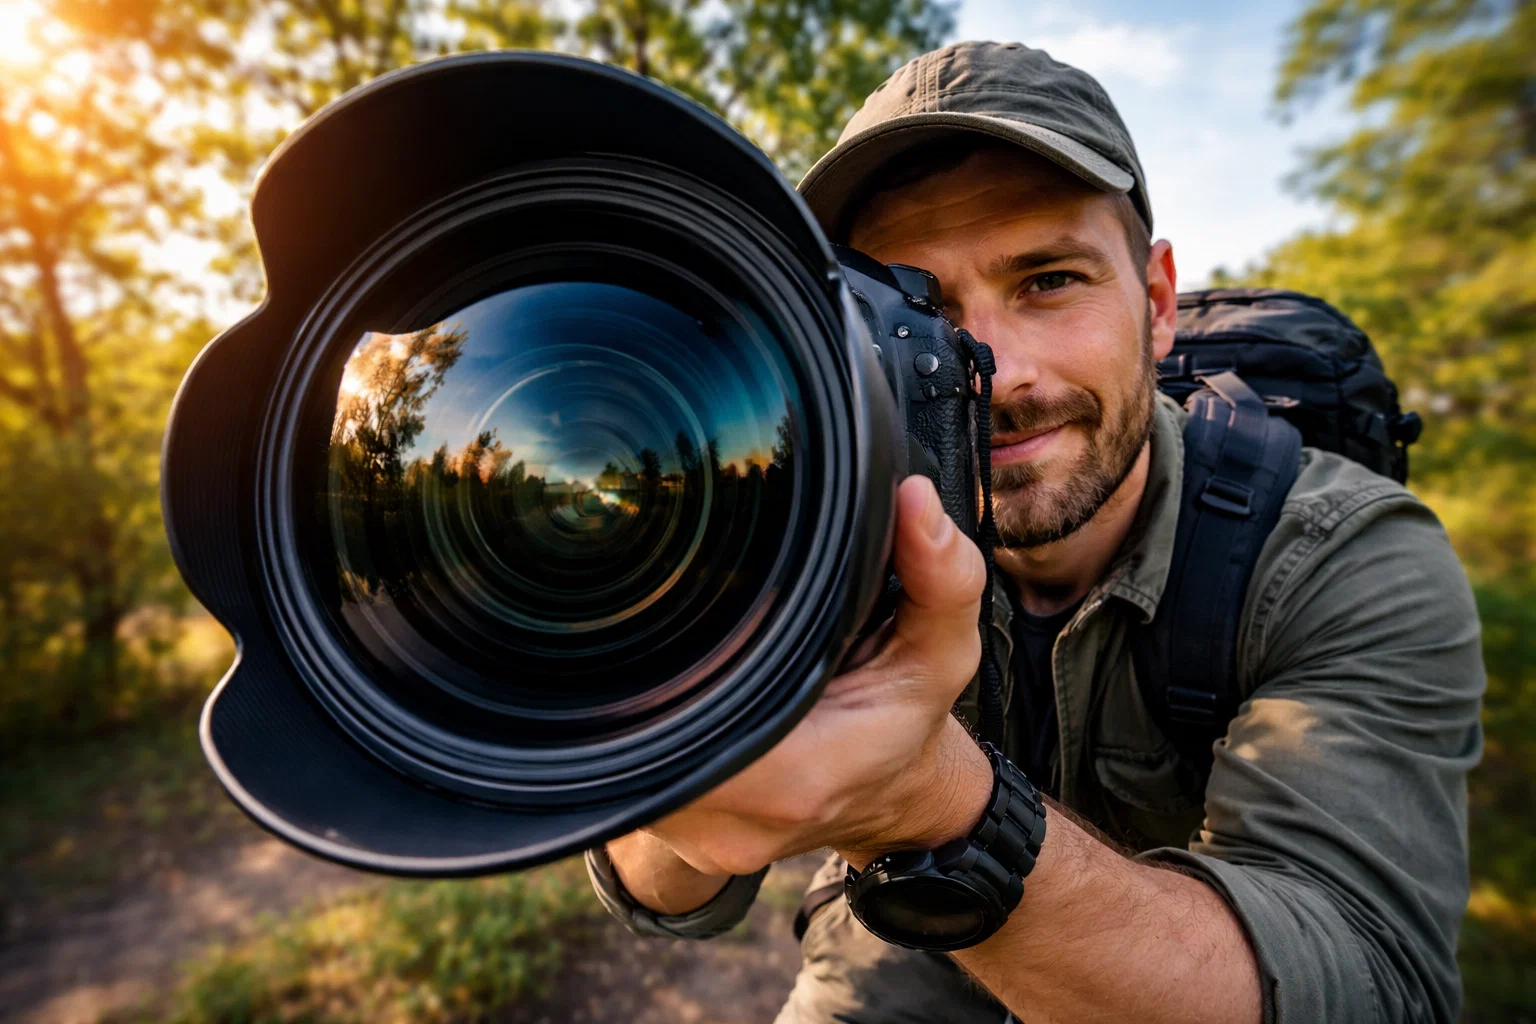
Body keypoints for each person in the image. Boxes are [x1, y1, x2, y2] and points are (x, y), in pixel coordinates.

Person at [585, 40, 1484, 1024]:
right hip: (898, 939)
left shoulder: (1342, 554)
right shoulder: (803, 529)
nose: (995, 373)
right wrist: (688, 755)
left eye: (1049, 280)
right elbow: (660, 891)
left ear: (1155, 302)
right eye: (915, 311)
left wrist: (927, 803)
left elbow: (1371, 988)